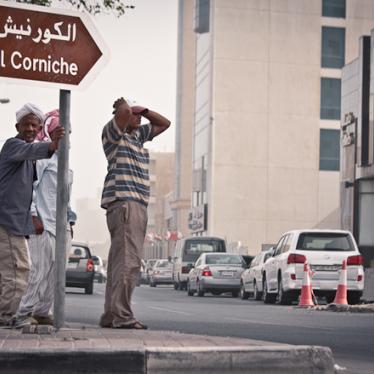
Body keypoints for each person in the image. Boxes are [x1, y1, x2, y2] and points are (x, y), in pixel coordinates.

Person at [99, 98, 170, 329]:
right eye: (134, 114)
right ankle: (123, 316)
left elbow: (164, 123)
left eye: (140, 115)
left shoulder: (137, 137)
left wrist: (145, 110)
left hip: (134, 204)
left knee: (120, 263)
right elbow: (123, 111)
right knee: (129, 262)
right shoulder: (114, 135)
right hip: (125, 203)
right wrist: (125, 106)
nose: (138, 117)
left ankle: (112, 315)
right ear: (121, 117)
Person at [0, 103, 64, 327]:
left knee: (16, 270)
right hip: (7, 220)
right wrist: (52, 144)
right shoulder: (13, 146)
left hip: (17, 223)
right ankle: (7, 316)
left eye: (33, 125)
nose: (29, 129)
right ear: (17, 125)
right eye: (25, 124)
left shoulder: (29, 157)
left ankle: (8, 314)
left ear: (38, 129)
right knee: (19, 271)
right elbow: (31, 151)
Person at [15, 110, 75, 328]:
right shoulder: (42, 158)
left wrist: (71, 221)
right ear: (51, 134)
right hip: (43, 223)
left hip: (62, 226)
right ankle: (24, 311)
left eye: (68, 132)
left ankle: (42, 311)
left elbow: (67, 196)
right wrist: (33, 215)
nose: (66, 137)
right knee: (38, 269)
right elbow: (29, 187)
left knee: (57, 271)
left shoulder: (65, 162)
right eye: (61, 132)